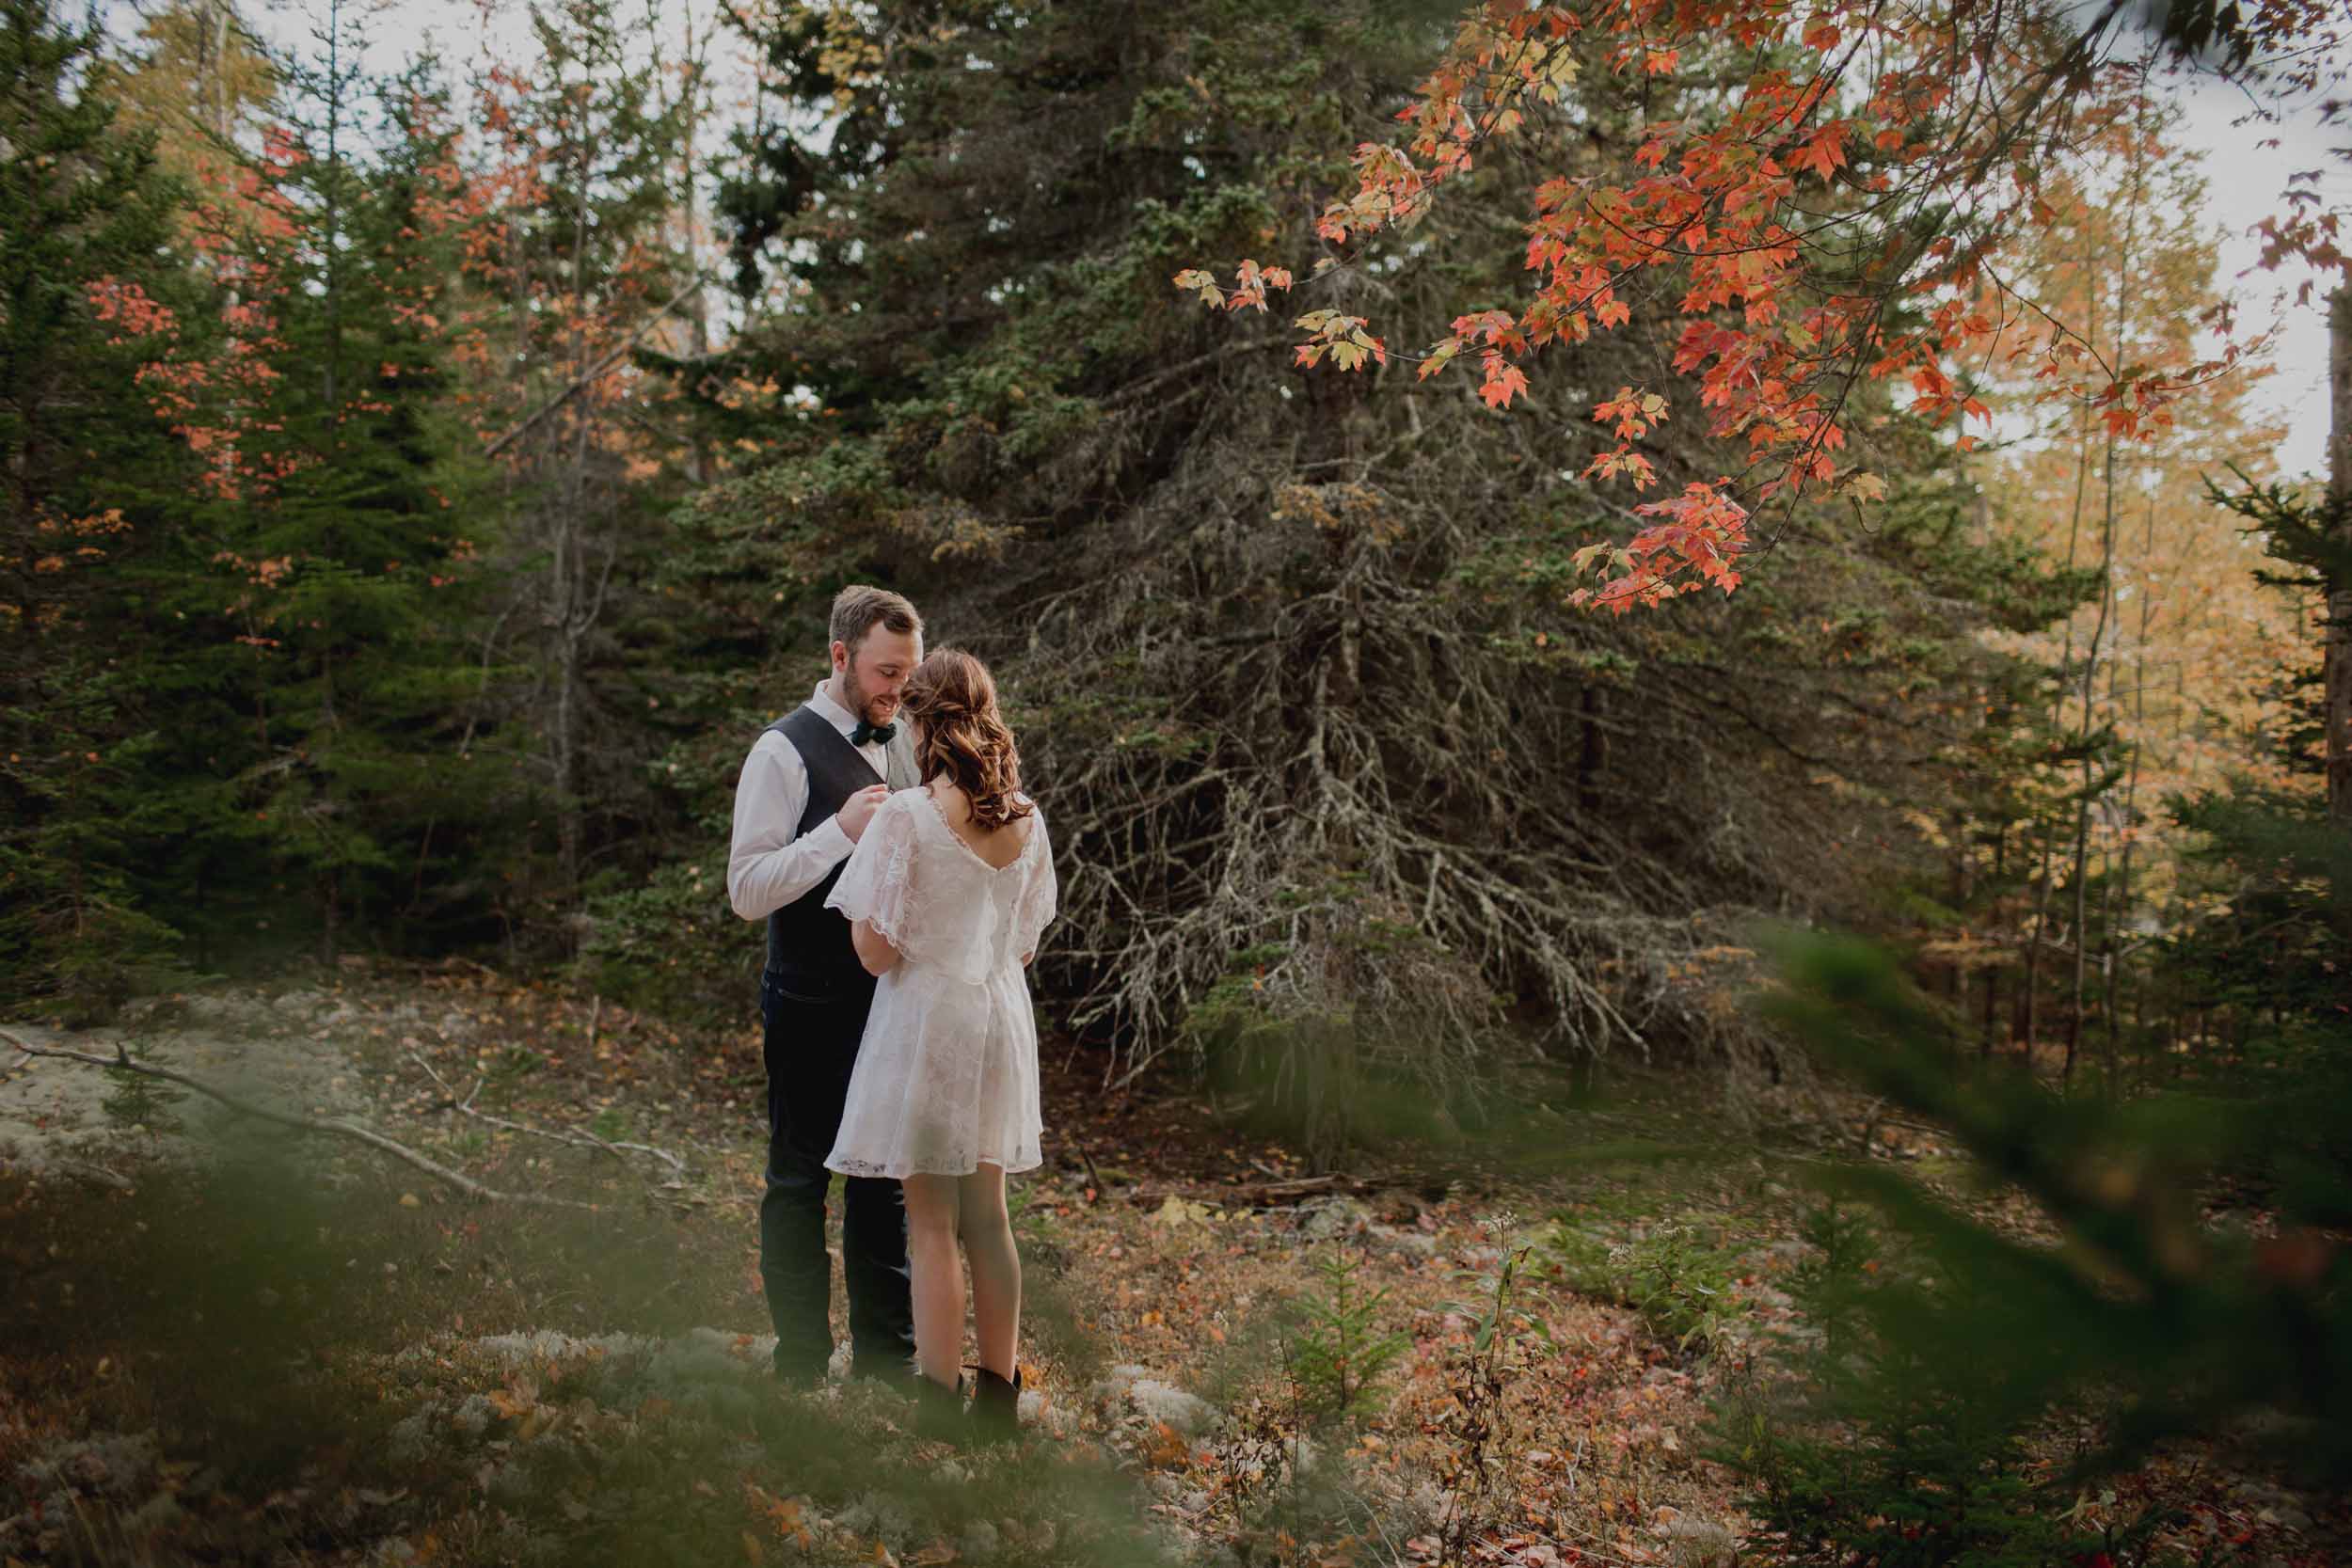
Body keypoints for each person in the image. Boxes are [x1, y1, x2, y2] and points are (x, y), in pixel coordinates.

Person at [822, 648, 1057, 1444]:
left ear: (925, 723)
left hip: (930, 1021)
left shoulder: (907, 816)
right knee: (987, 1216)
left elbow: (875, 952)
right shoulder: (1025, 817)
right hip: (997, 1016)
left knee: (928, 1223)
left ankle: (935, 1398)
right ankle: (998, 1397)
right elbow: (1022, 945)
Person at [726, 585, 925, 1386]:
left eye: (908, 674)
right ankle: (800, 1365)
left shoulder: (905, 737)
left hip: (891, 1006)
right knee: (799, 1183)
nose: (897, 690)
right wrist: (837, 833)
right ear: (839, 656)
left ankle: (887, 1366)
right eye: (885, 672)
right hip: (806, 1003)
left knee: (884, 1187)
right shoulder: (780, 751)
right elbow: (747, 889)